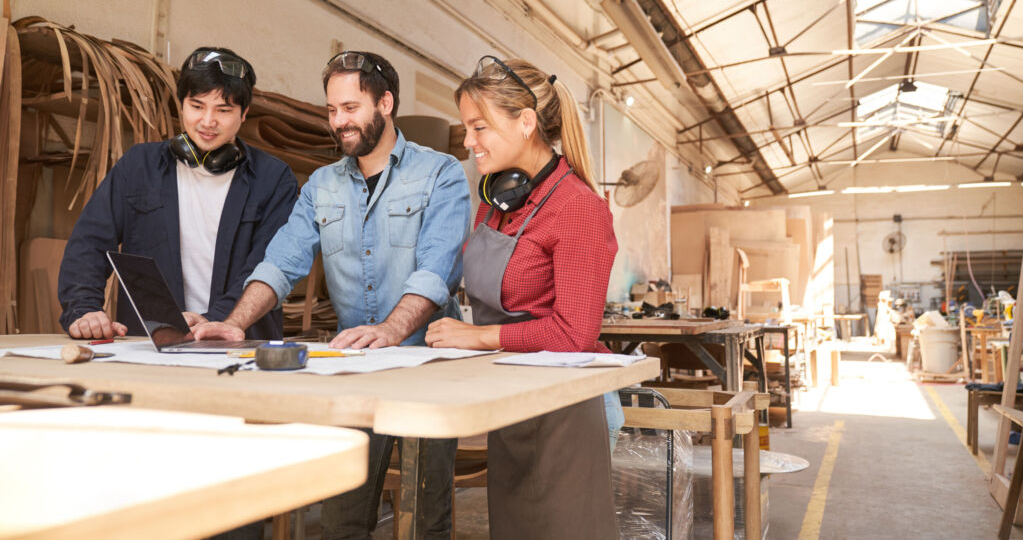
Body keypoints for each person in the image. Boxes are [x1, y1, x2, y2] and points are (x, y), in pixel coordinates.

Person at [192, 50, 472, 540]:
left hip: (428, 367)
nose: (339, 122)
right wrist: (237, 321)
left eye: (350, 108)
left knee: (427, 518)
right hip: (355, 367)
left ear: (385, 103)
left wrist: (390, 329)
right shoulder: (322, 185)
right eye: (331, 110)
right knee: (342, 518)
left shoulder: (440, 174)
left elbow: (435, 269)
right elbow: (281, 262)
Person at [425, 55, 623, 540]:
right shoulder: (496, 206)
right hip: (511, 404)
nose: (468, 142)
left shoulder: (578, 209)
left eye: (479, 128)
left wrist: (478, 336)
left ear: (526, 122)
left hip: (563, 414)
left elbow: (574, 335)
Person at [58, 47, 298, 341]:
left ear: (244, 113)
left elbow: (267, 265)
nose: (207, 121)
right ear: (181, 105)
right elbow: (89, 243)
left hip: (240, 345)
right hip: (148, 344)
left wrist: (213, 320)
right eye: (197, 106)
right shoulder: (139, 166)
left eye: (223, 110)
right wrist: (83, 308)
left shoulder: (274, 179)